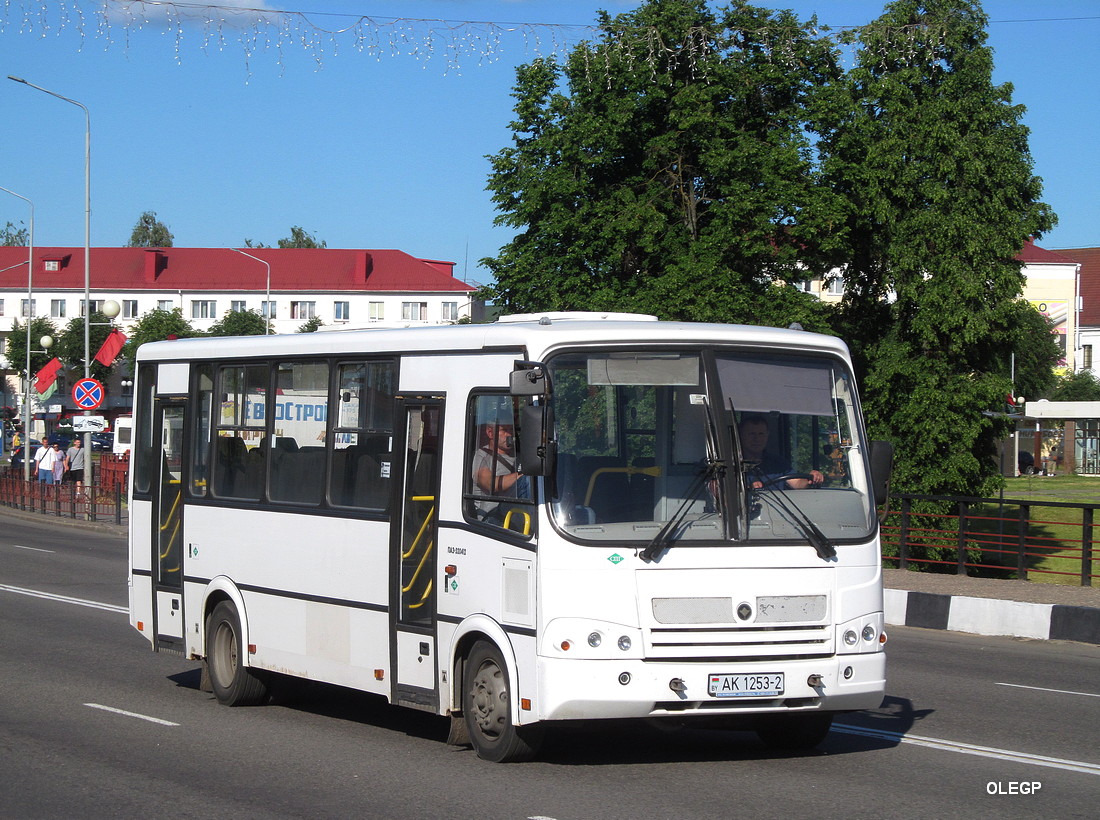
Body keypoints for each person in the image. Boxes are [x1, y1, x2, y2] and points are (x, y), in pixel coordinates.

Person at [739, 414, 823, 490]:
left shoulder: (778, 463)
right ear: (741, 435)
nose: (757, 439)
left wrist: (811, 478)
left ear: (767, 435)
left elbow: (797, 483)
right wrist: (749, 489)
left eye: (761, 434)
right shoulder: (734, 466)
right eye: (751, 434)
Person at [472, 421, 526, 523]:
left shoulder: (519, 457)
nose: (509, 434)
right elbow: (491, 484)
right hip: (493, 516)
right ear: (490, 433)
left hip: (517, 511)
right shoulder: (482, 456)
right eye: (505, 430)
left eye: (511, 430)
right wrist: (523, 475)